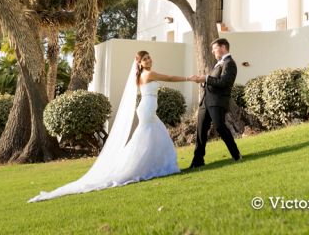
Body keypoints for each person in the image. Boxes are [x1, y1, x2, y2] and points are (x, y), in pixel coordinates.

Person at [28, 50, 190, 202]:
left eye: (149, 57)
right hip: (147, 110)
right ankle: (143, 167)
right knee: (147, 137)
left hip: (147, 109)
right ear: (140, 63)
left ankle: (156, 165)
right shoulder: (148, 74)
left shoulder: (141, 75)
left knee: (154, 136)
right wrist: (189, 79)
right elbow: (169, 78)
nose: (149, 60)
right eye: (145, 58)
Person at [188, 37, 242, 168]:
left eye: (215, 48)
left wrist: (206, 78)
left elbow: (224, 83)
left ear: (223, 47)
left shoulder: (230, 63)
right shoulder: (217, 63)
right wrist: (203, 81)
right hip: (205, 102)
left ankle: (236, 155)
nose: (213, 52)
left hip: (217, 102)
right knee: (200, 130)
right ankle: (197, 161)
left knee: (220, 128)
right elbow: (213, 81)